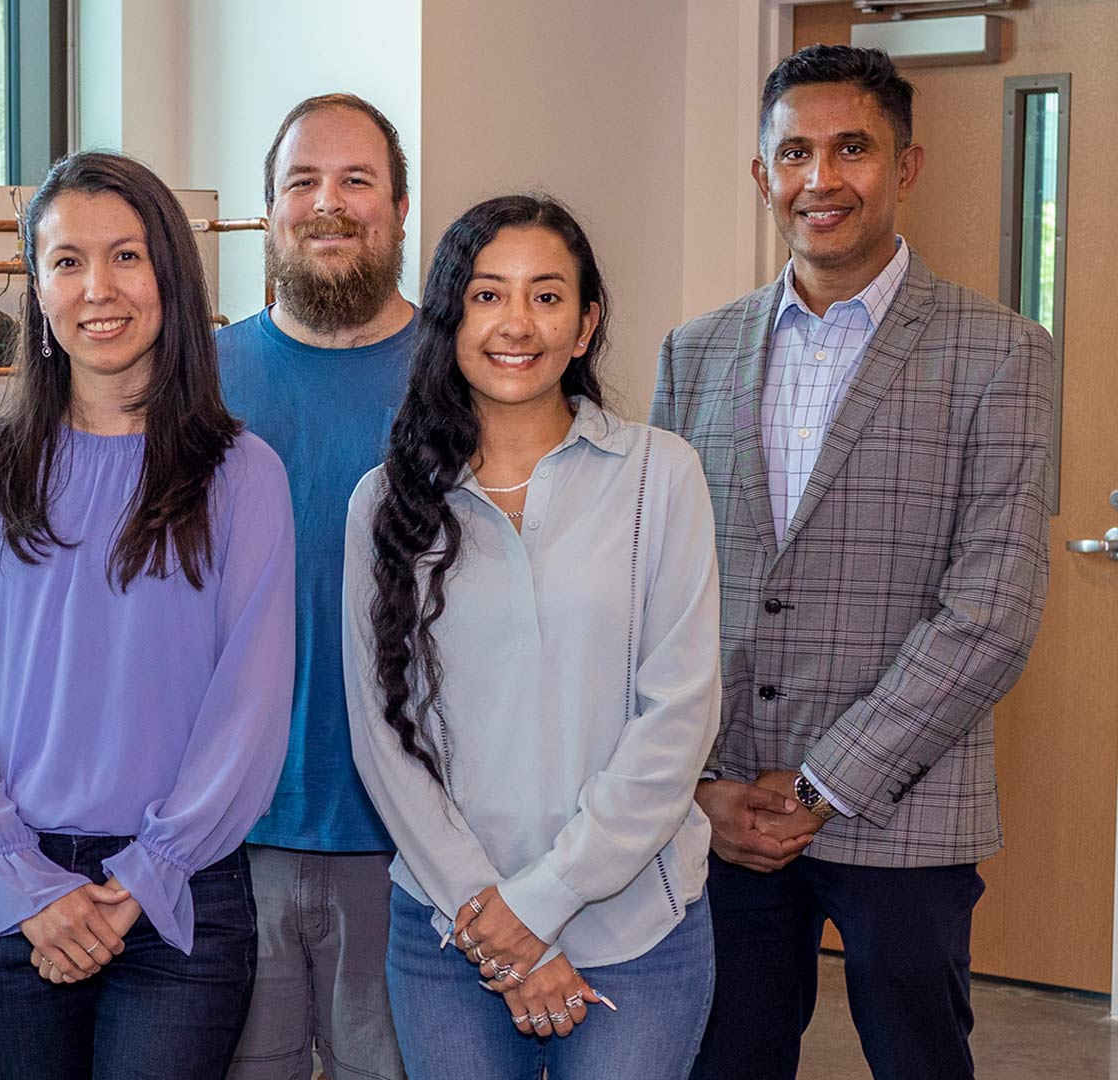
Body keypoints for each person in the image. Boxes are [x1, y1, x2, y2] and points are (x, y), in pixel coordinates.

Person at [651, 45, 1054, 1080]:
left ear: (906, 165)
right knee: (723, 1061)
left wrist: (827, 782)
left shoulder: (1001, 352)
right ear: (760, 173)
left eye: (852, 149)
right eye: (794, 152)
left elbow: (993, 608)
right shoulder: (693, 352)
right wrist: (700, 786)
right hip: (726, 811)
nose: (819, 179)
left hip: (905, 811)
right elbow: (650, 589)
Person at [0, 150, 296, 1080]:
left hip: (179, 896)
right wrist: (21, 874)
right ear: (37, 289)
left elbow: (248, 709)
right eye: (67, 261)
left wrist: (142, 879)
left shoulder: (242, 475)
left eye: (126, 256)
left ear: (169, 271)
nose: (98, 288)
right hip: (10, 893)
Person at [344, 195, 722, 1080]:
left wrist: (539, 904)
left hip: (638, 927)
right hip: (450, 929)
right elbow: (382, 736)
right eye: (486, 296)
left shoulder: (661, 476)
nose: (517, 323)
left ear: (586, 325)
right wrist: (494, 919)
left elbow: (678, 717)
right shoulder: (383, 503)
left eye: (548, 297)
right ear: (449, 320)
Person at [218, 92, 413, 1080]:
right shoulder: (200, 382)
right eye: (302, 181)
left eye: (356, 180)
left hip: (412, 842)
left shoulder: (463, 378)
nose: (327, 204)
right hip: (231, 836)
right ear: (269, 207)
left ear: (401, 207)